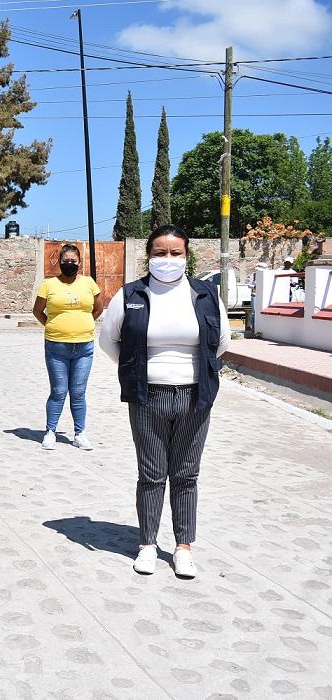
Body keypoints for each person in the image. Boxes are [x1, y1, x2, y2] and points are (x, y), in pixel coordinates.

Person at [99, 224, 230, 579]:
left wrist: (196, 372)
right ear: (149, 257)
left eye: (175, 253)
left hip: (195, 396)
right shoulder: (130, 295)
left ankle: (184, 547)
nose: (168, 260)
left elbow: (221, 342)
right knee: (152, 474)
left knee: (187, 474)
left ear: (187, 256)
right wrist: (137, 369)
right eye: (160, 253)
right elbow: (109, 341)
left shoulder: (205, 295)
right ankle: (147, 545)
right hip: (147, 396)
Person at [31, 244, 103, 451]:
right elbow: (37, 311)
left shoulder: (89, 283)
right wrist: (53, 325)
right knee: (59, 390)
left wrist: (84, 323)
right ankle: (50, 431)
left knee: (78, 392)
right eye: (66, 261)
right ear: (59, 262)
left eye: (73, 261)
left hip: (84, 347)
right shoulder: (49, 284)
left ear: (79, 262)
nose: (69, 264)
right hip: (56, 346)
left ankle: (79, 434)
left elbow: (98, 307)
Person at [246, 261, 268, 332]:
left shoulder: (266, 275)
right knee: (254, 312)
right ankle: (253, 328)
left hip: (263, 295)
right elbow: (249, 285)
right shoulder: (253, 275)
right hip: (255, 295)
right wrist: (255, 286)